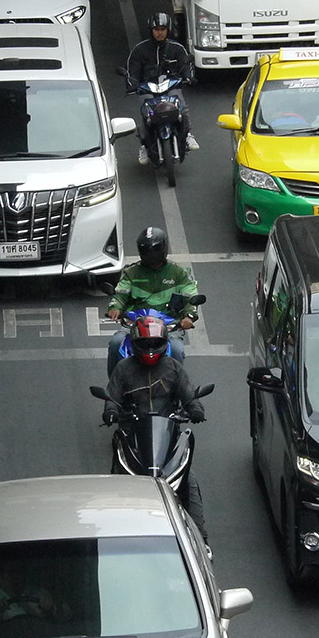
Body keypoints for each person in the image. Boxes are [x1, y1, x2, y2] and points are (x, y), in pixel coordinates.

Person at [104, 315, 208, 536]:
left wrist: (196, 409)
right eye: (144, 344)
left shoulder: (174, 368)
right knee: (116, 474)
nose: (150, 348)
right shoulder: (123, 369)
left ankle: (202, 536)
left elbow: (189, 395)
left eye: (154, 343)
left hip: (167, 436)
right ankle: (114, 528)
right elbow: (111, 397)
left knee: (188, 477)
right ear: (134, 343)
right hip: (133, 434)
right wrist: (111, 411)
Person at [106, 226, 199, 371]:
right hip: (135, 325)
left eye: (154, 250)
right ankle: (113, 387)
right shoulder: (131, 273)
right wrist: (115, 308)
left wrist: (188, 316)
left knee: (177, 350)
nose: (151, 255)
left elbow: (190, 296)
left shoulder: (178, 274)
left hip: (168, 326)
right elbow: (120, 295)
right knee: (116, 343)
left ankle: (179, 389)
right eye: (146, 250)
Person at [125, 12, 199, 159]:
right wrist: (131, 84)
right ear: (151, 30)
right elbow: (132, 70)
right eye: (157, 29)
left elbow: (186, 65)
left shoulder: (177, 48)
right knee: (146, 113)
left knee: (181, 107)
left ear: (168, 30)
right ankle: (144, 145)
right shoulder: (140, 49)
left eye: (163, 29)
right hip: (148, 88)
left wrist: (189, 78)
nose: (160, 33)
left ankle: (188, 134)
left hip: (171, 86)